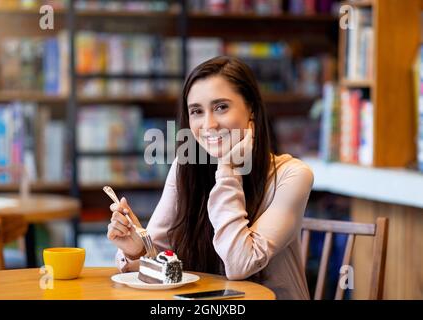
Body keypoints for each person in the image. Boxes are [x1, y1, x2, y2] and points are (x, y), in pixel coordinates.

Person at [107, 56, 314, 299]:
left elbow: (240, 264)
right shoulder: (186, 168)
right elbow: (161, 261)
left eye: (221, 107)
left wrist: (228, 170)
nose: (209, 124)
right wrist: (138, 249)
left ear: (252, 111)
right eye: (196, 111)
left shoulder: (293, 175)